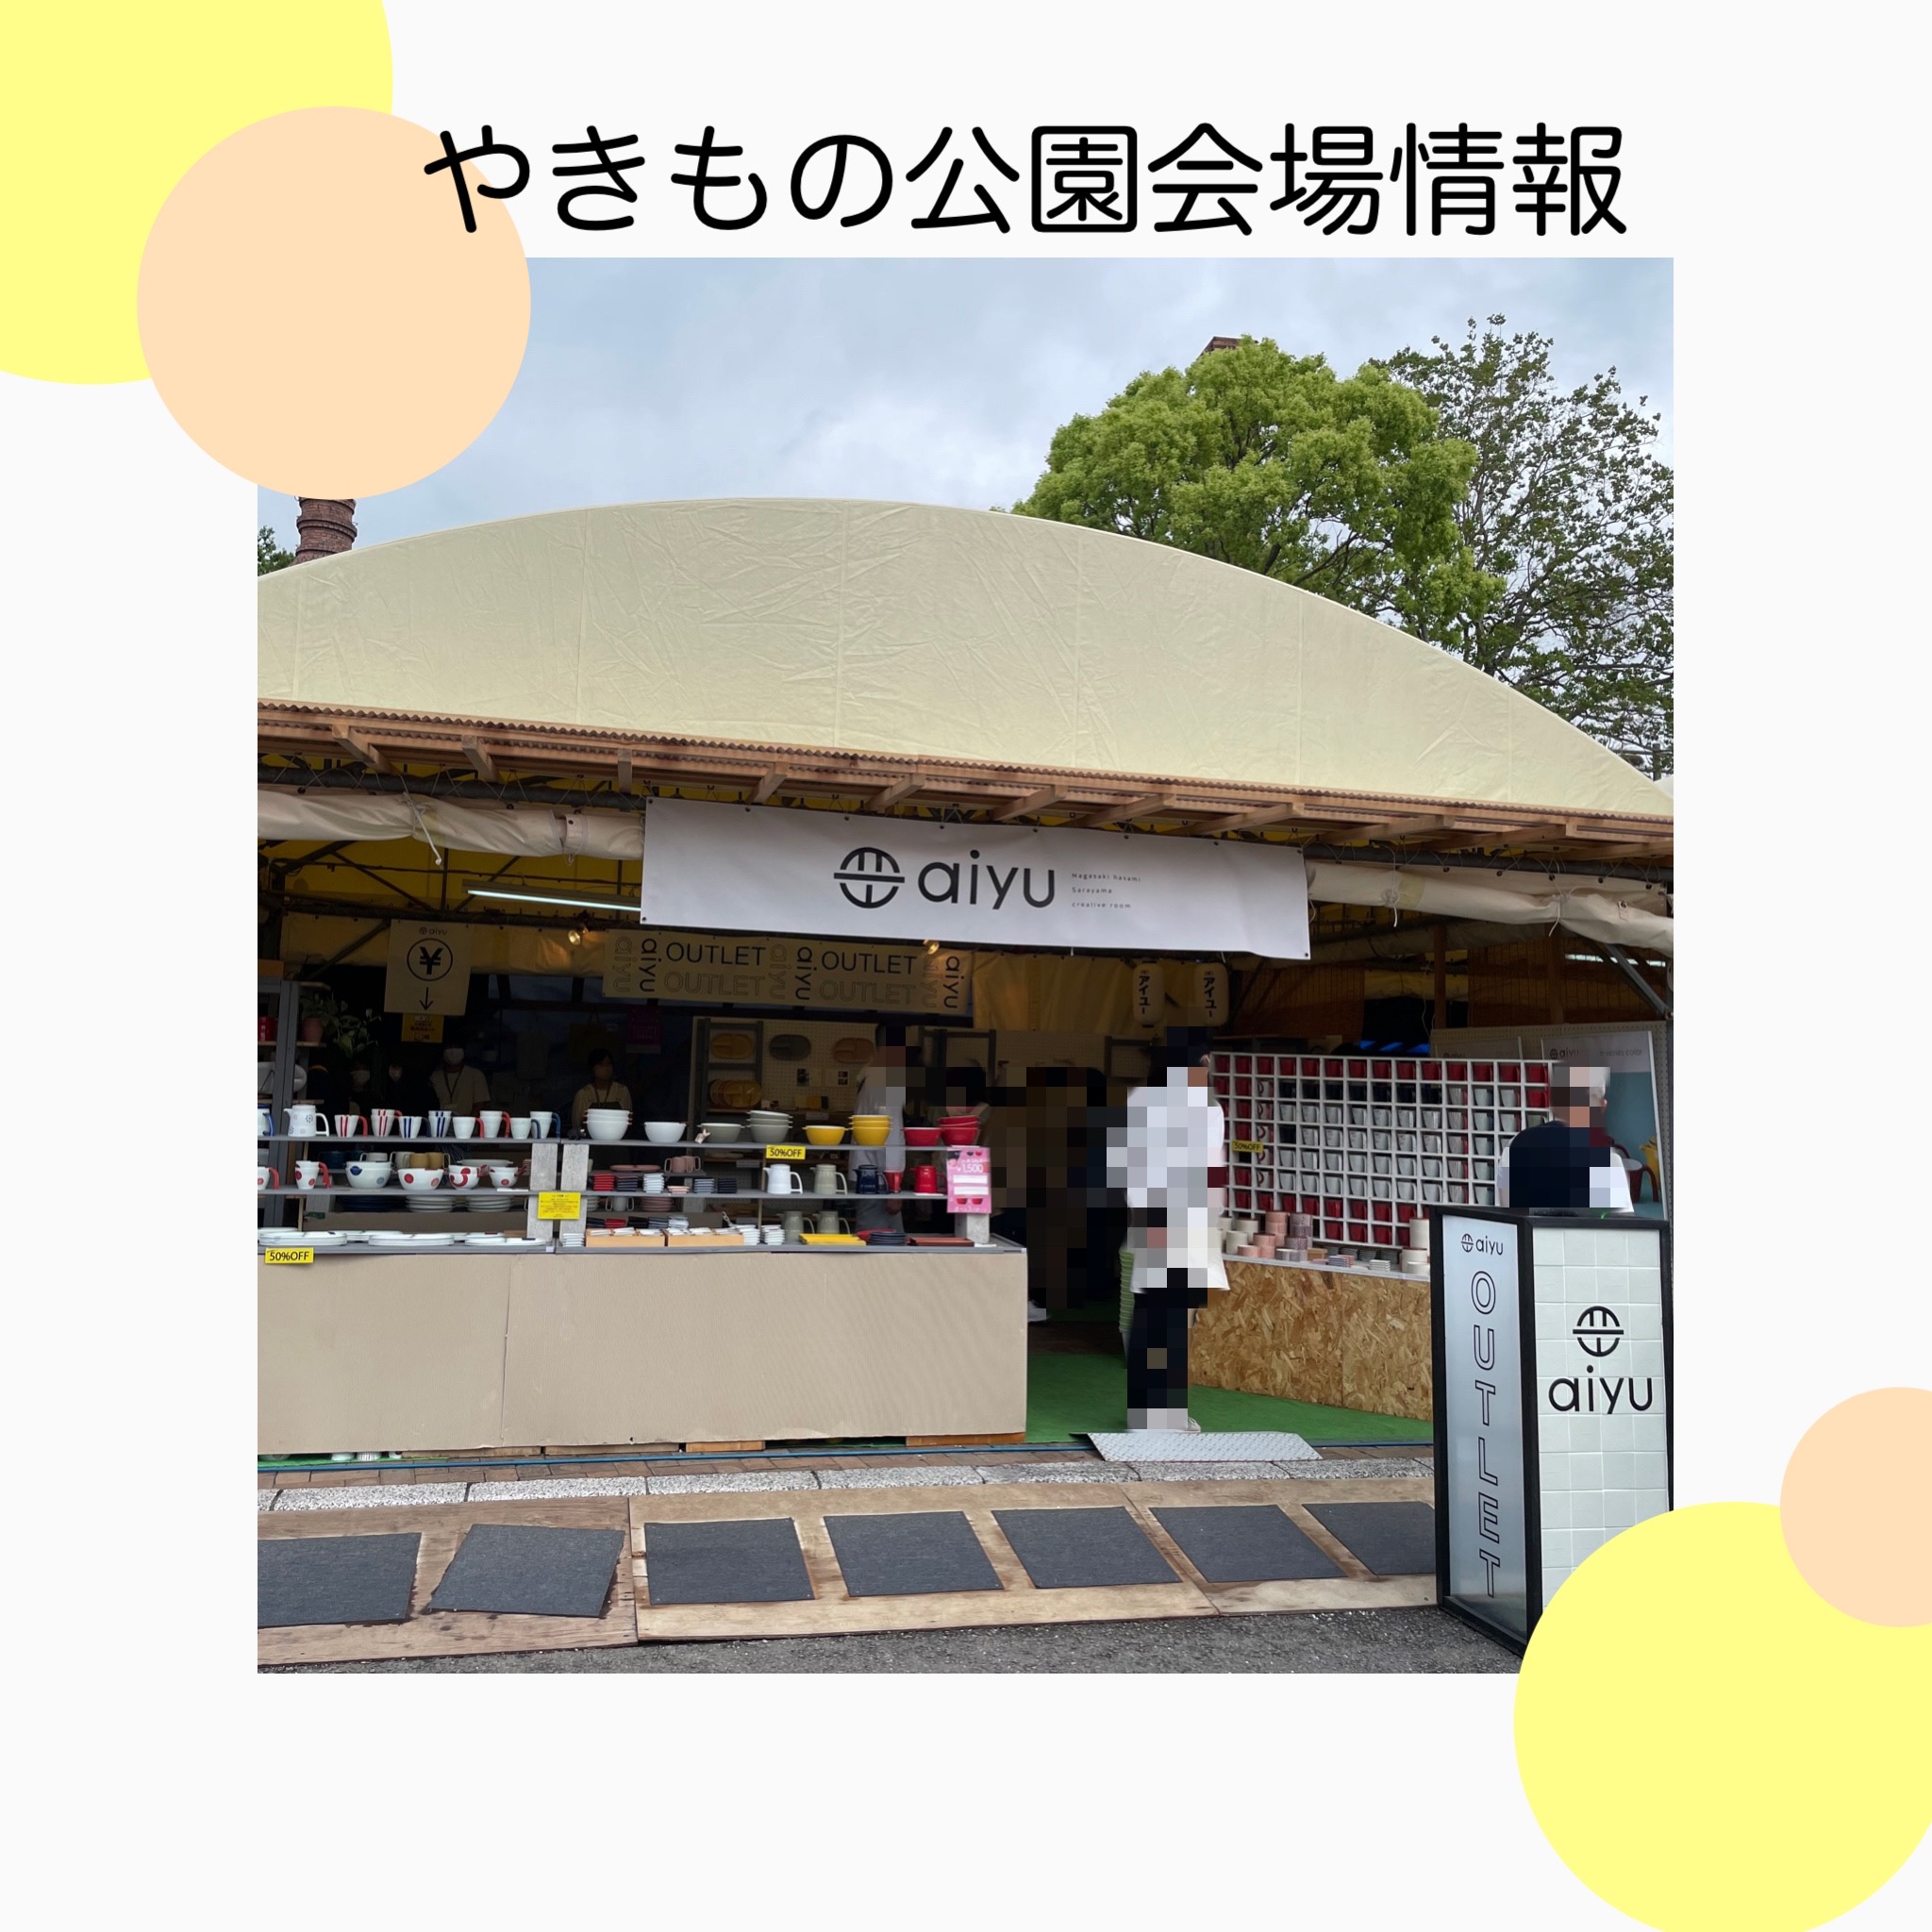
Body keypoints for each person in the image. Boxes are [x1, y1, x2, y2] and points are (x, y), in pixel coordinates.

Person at [1108, 1055, 1228, 1431]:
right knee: (1172, 1320)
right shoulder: (1205, 1111)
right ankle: (1164, 1416)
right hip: (1186, 1222)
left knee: (1149, 1314)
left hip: (1147, 1219)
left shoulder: (1138, 1106)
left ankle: (1145, 1413)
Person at [1496, 1065, 1634, 1213]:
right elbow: (1621, 1224)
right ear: (1601, 1107)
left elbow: (1508, 1214)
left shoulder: (1514, 1146)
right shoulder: (1606, 1159)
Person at [848, 1027, 908, 1232]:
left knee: (881, 1239)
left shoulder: (869, 1077)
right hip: (880, 1179)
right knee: (877, 1241)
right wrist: (894, 1188)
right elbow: (891, 1136)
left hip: (866, 1173)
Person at [569, 1049, 632, 1134]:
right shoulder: (583, 1094)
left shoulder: (622, 1091)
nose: (606, 1068)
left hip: (617, 1139)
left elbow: (628, 1122)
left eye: (609, 1063)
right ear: (592, 1068)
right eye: (601, 1064)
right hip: (589, 1140)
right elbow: (576, 1126)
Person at [427, 1039, 491, 1119]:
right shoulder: (434, 1076)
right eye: (449, 1047)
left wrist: (467, 1123)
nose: (453, 1051)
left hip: (467, 1124)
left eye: (457, 1047)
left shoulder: (476, 1075)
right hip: (440, 1123)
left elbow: (480, 1105)